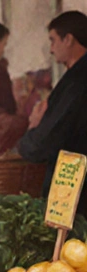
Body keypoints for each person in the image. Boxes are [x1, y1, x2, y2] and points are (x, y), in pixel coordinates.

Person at [19, 11, 87, 214]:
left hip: (77, 199)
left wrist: (33, 128)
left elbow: (43, 144)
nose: (50, 49)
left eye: (53, 40)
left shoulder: (76, 84)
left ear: (69, 39)